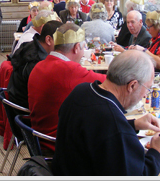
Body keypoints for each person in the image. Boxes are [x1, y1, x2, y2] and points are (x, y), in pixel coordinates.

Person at [52, 50, 160, 176]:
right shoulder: (113, 123)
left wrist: (132, 124)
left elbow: (96, 130)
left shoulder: (82, 90)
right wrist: (158, 153)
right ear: (132, 86)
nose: (146, 94)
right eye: (147, 88)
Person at [27, 23, 106, 154]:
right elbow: (110, 83)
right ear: (76, 48)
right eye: (83, 47)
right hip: (58, 146)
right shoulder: (69, 70)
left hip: (39, 138)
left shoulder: (40, 65)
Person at [7, 20, 63, 109]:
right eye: (60, 41)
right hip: (25, 110)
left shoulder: (30, 46)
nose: (63, 46)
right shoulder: (37, 62)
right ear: (48, 40)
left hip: (16, 100)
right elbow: (43, 95)